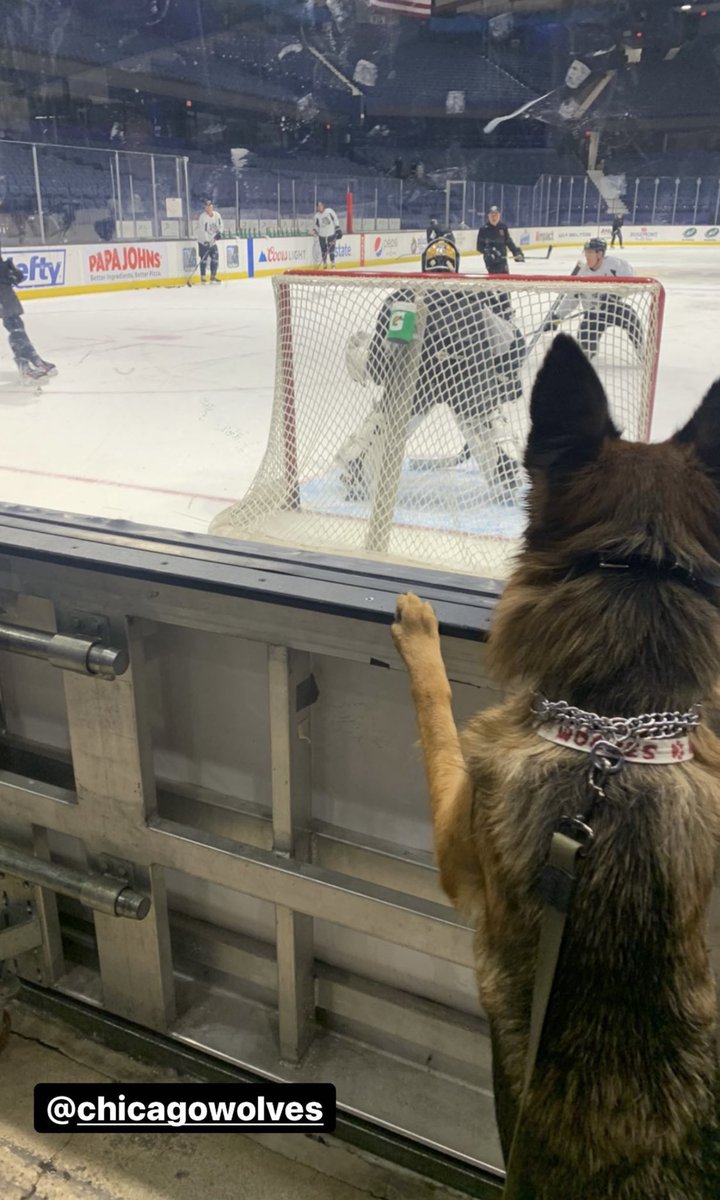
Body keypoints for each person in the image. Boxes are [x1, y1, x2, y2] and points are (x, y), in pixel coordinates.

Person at [336, 236, 526, 504]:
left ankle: (358, 472)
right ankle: (506, 474)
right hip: (468, 377)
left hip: (417, 378)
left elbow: (379, 363)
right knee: (482, 425)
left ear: (425, 265)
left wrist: (364, 360)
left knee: (386, 424)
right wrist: (506, 378)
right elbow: (514, 344)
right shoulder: (478, 297)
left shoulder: (403, 299)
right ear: (454, 266)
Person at [546, 237, 644, 357]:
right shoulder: (582, 274)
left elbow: (631, 281)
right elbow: (572, 298)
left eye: (590, 252)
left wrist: (614, 295)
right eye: (586, 252)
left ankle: (642, 351)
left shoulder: (616, 265)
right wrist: (557, 317)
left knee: (631, 318)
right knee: (584, 351)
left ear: (600, 254)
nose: (587, 256)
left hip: (614, 309)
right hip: (593, 315)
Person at [0, 249, 56, 384]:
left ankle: (32, 358)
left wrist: (10, 272)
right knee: (14, 325)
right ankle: (24, 366)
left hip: (5, 290)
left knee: (16, 323)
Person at [476, 206, 525, 276]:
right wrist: (490, 252)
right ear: (488, 216)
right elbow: (479, 247)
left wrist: (516, 252)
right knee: (494, 278)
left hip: (502, 260)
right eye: (492, 215)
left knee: (505, 278)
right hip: (491, 261)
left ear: (499, 215)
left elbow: (508, 241)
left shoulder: (503, 227)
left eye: (496, 215)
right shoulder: (483, 229)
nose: (494, 217)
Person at [196, 199, 223, 283]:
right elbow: (203, 230)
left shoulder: (217, 215)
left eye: (210, 207)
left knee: (215, 257)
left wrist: (219, 233)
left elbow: (221, 226)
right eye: (207, 207)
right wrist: (206, 241)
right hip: (203, 241)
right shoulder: (203, 217)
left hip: (212, 241)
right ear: (205, 208)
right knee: (203, 259)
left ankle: (213, 276)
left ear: (212, 207)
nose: (209, 208)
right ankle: (203, 277)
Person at [313, 201, 340, 270]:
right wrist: (315, 231)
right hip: (322, 236)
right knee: (323, 251)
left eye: (321, 206)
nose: (320, 207)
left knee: (331, 250)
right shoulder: (316, 216)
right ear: (317, 208)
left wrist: (337, 228)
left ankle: (333, 265)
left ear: (323, 205)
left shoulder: (329, 211)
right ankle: (325, 265)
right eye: (318, 206)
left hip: (331, 234)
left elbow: (335, 219)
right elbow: (316, 226)